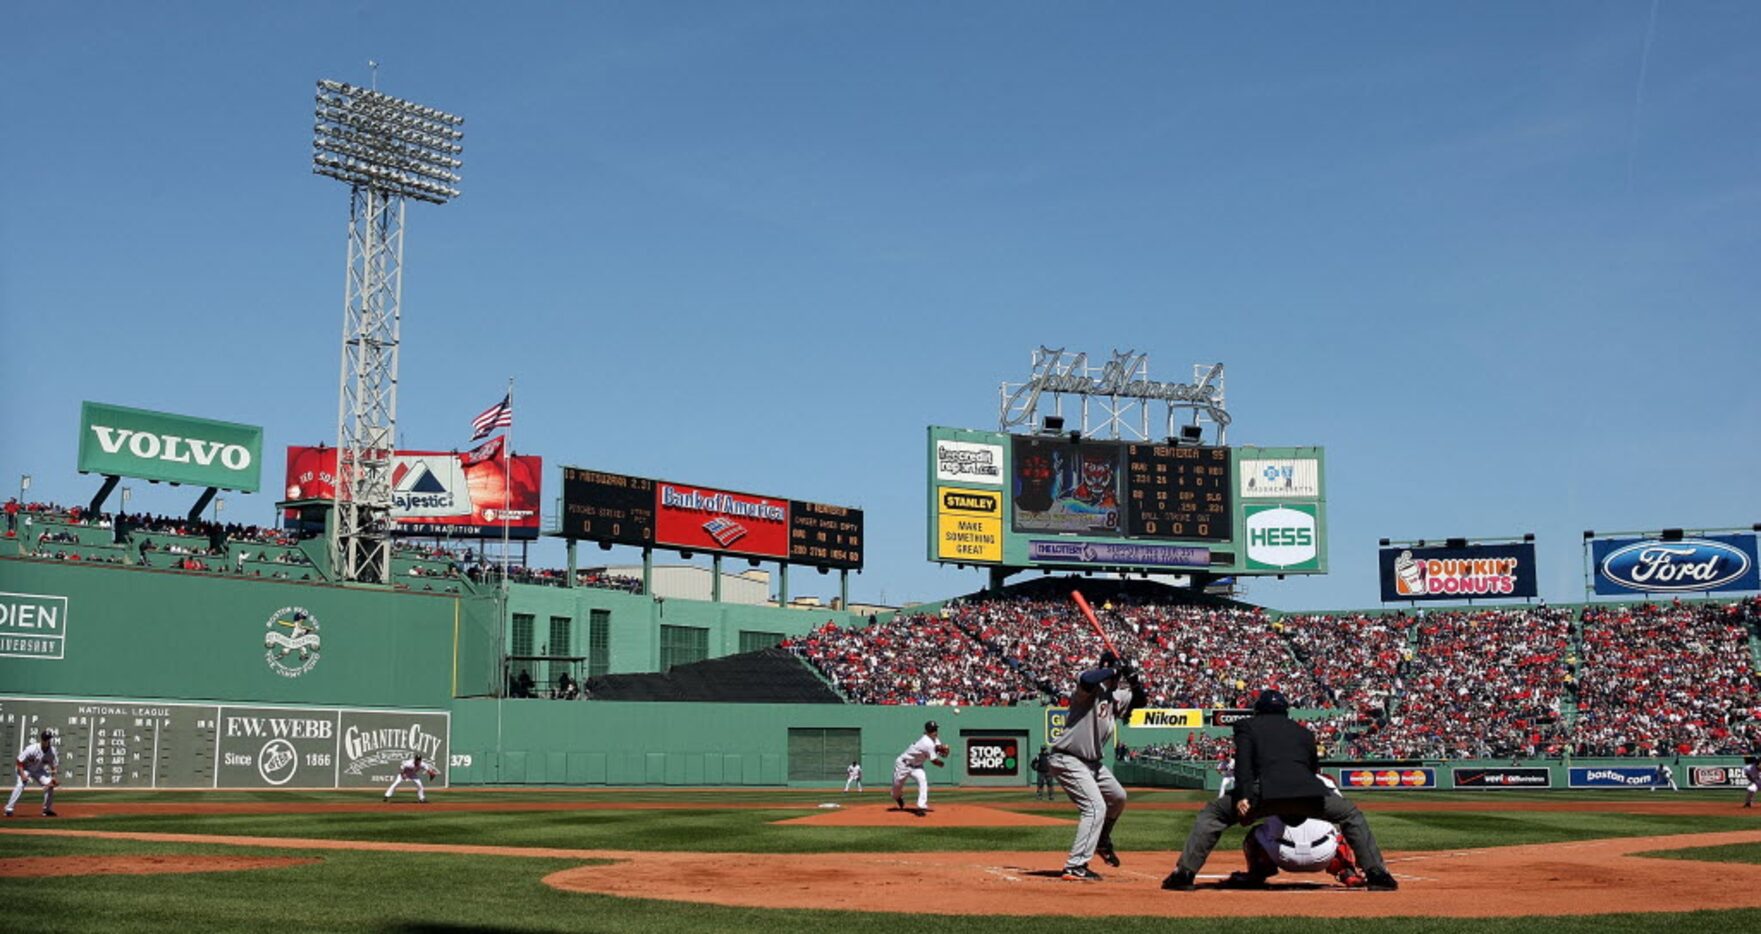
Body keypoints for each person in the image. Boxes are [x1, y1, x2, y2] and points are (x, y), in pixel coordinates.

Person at [1163, 689, 1398, 892]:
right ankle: (1378, 875)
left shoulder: (1247, 726)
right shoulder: (1304, 732)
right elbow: (1313, 769)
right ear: (1286, 711)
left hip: (1263, 793)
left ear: (1259, 710)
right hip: (1307, 793)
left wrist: (1243, 795)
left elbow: (1244, 762)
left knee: (1212, 815)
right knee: (1350, 815)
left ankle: (1184, 875)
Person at [1048, 650, 1144, 881]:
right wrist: (1113, 669)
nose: (1116, 677)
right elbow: (1086, 679)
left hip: (1092, 764)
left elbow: (1140, 702)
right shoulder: (1089, 690)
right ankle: (1075, 866)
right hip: (1068, 758)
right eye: (1114, 672)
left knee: (1118, 797)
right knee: (1094, 808)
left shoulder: (1117, 696)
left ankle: (1102, 840)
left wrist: (1134, 680)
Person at [891, 720, 947, 815]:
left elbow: (937, 747)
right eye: (932, 730)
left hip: (917, 767)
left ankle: (921, 805)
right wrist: (941, 763)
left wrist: (941, 749)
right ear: (928, 731)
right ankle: (897, 797)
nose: (935, 732)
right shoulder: (926, 742)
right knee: (896, 788)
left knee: (923, 781)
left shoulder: (934, 739)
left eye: (936, 729)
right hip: (903, 765)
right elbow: (934, 761)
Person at [6, 729, 59, 817]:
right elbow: (19, 761)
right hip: (25, 768)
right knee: (20, 785)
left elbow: (54, 766)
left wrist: (53, 778)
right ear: (42, 740)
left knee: (50, 786)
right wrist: (23, 775)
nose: (48, 741)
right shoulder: (32, 749)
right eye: (46, 739)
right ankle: (9, 809)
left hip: (39, 770)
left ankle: (47, 810)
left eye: (49, 739)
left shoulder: (52, 751)